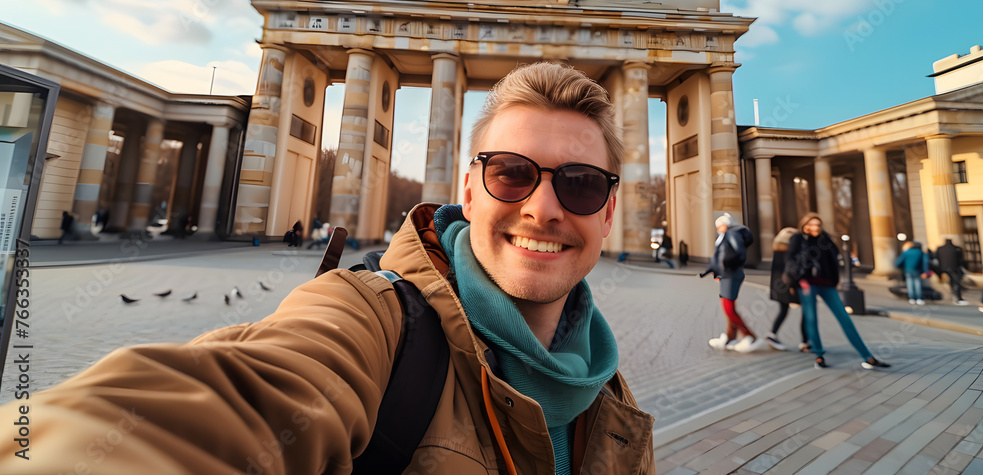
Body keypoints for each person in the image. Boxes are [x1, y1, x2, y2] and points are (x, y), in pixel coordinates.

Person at [0, 62, 654, 473]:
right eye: (512, 173)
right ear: (471, 187)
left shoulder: (613, 398)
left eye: (580, 183)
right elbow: (250, 394)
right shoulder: (375, 324)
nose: (543, 208)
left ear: (609, 210)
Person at [784, 212, 890, 370]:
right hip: (807, 284)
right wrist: (800, 279)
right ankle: (819, 356)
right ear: (804, 225)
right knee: (811, 319)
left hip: (827, 284)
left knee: (845, 319)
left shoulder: (825, 239)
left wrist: (836, 280)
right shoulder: (798, 239)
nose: (815, 228)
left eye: (818, 225)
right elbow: (791, 261)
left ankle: (868, 357)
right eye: (812, 224)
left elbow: (833, 260)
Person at [706, 213, 766, 352]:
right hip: (727, 275)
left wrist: (726, 266)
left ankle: (750, 336)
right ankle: (730, 337)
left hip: (730, 275)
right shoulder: (725, 235)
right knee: (729, 307)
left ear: (726, 224)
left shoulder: (731, 234)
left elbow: (737, 253)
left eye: (720, 225)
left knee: (729, 309)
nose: (718, 228)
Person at [766, 226, 809, 351]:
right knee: (806, 312)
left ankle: (772, 334)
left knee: (783, 311)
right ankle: (805, 341)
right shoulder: (791, 251)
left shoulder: (777, 248)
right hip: (790, 284)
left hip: (778, 285)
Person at [895, 240, 930, 305]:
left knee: (910, 284)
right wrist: (925, 271)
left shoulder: (906, 252)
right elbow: (925, 262)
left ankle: (911, 298)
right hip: (917, 270)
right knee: (917, 284)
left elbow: (898, 262)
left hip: (908, 270)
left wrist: (903, 268)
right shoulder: (921, 253)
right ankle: (919, 298)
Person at [936, 238, 968, 305]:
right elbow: (961, 260)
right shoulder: (957, 248)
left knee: (947, 283)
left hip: (943, 269)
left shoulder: (940, 249)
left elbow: (937, 259)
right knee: (955, 283)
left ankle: (949, 297)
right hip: (954, 268)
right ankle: (957, 297)